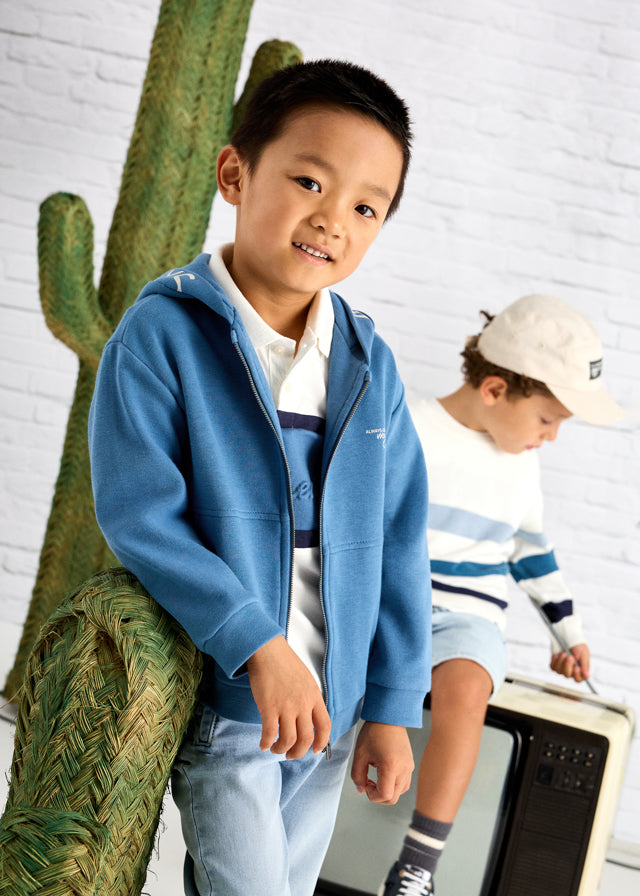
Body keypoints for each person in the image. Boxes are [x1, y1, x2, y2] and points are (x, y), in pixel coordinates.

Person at [88, 59, 432, 896]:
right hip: (235, 707)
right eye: (310, 181)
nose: (331, 220)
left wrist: (390, 705)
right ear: (235, 174)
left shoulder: (367, 362)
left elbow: (399, 541)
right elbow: (143, 519)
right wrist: (257, 645)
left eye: (365, 207)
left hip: (334, 718)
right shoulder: (162, 334)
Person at [378, 293, 625, 896]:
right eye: (547, 420)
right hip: (392, 604)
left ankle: (416, 867)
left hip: (466, 618)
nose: (552, 437)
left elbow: (531, 553)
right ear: (494, 390)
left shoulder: (521, 466)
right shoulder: (407, 427)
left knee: (467, 690)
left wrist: (568, 635)